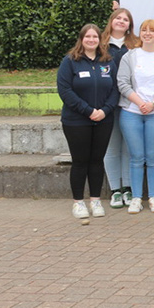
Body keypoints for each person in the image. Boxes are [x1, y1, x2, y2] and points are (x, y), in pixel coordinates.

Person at [57, 23, 119, 220]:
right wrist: (89, 111)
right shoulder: (69, 62)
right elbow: (65, 91)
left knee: (97, 161)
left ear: (100, 40)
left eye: (95, 37)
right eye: (88, 37)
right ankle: (78, 202)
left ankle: (95, 200)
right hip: (76, 121)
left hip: (103, 119)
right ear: (81, 39)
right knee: (80, 161)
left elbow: (115, 90)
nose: (91, 40)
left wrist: (104, 111)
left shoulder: (107, 62)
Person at [117, 19, 154, 214]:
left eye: (152, 31)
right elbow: (123, 83)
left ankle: (153, 197)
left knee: (153, 157)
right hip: (131, 112)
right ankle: (136, 198)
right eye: (144, 30)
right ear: (139, 34)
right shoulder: (130, 56)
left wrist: (153, 103)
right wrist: (139, 102)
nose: (148, 34)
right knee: (136, 157)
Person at [101, 8, 139, 208]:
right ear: (111, 20)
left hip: (130, 103)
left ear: (129, 25)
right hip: (107, 104)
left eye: (126, 20)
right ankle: (115, 190)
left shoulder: (135, 45)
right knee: (112, 148)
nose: (121, 21)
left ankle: (129, 189)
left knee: (129, 148)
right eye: (118, 18)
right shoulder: (100, 44)